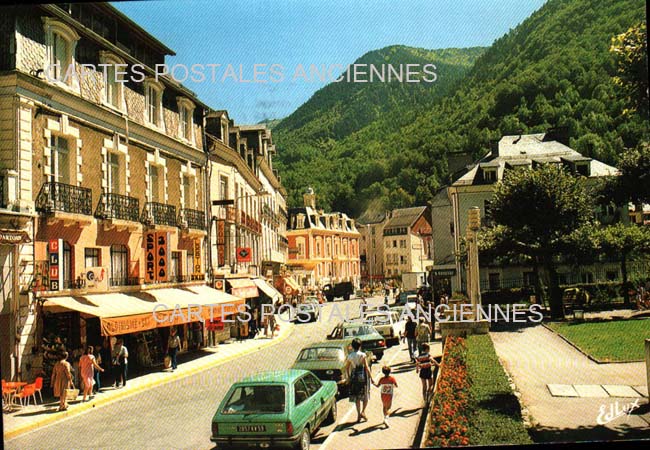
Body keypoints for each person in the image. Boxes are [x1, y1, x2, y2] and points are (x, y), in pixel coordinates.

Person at [344, 338, 373, 423]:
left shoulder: (350, 356)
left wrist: (349, 377)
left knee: (356, 396)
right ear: (360, 346)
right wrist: (371, 377)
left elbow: (347, 367)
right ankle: (363, 411)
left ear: (352, 346)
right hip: (363, 376)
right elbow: (366, 367)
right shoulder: (363, 355)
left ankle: (358, 415)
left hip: (354, 376)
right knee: (365, 394)